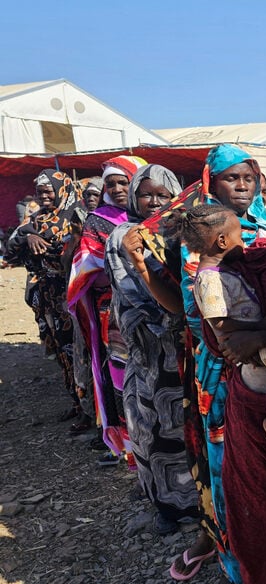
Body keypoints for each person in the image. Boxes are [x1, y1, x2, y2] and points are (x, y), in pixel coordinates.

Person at [123, 143, 266, 584]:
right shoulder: (192, 241)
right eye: (233, 178)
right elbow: (184, 306)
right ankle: (236, 564)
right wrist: (144, 267)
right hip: (216, 366)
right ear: (211, 183)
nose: (243, 186)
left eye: (250, 177)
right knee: (225, 463)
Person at [105, 164, 203, 539]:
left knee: (185, 425)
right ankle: (165, 505)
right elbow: (136, 290)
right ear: (133, 197)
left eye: (163, 195)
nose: (155, 201)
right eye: (146, 194)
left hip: (182, 347)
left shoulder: (180, 230)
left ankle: (194, 503)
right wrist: (172, 314)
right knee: (151, 428)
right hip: (150, 348)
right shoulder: (123, 236)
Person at [67, 155, 147, 467]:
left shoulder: (154, 214)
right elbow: (86, 268)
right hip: (112, 313)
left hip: (156, 306)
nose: (115, 189)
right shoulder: (97, 221)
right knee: (121, 374)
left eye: (123, 182)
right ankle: (130, 444)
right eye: (110, 184)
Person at [6, 170, 86, 422]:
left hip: (72, 295)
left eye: (49, 190)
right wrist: (27, 235)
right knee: (63, 350)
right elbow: (10, 253)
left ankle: (94, 411)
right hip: (46, 298)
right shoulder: (36, 219)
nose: (44, 195)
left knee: (82, 350)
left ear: (62, 190)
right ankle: (77, 403)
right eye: (40, 191)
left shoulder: (77, 216)